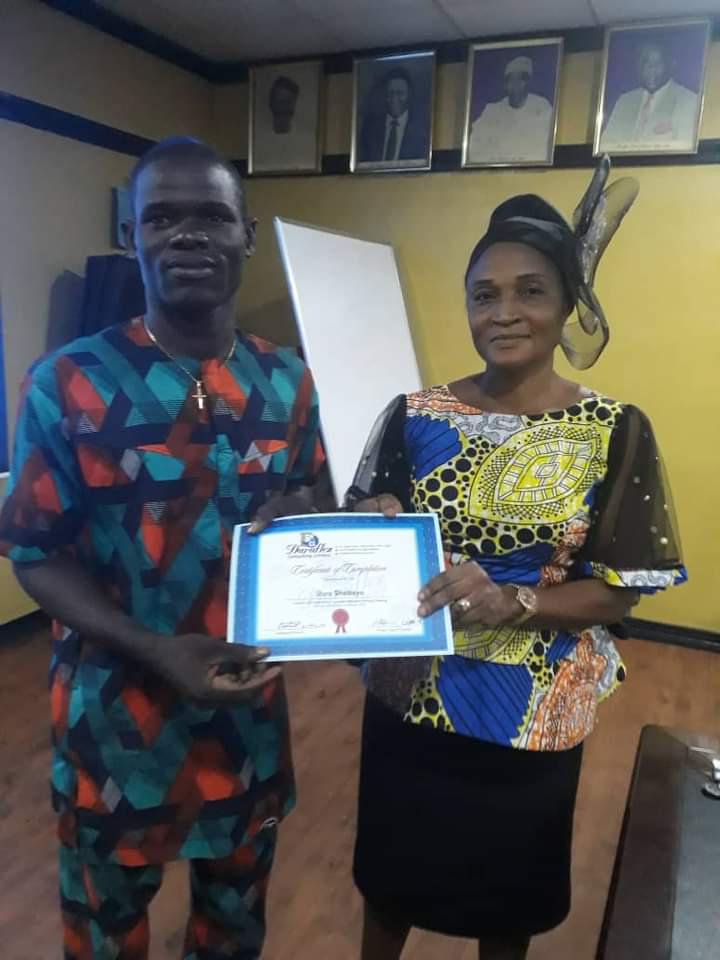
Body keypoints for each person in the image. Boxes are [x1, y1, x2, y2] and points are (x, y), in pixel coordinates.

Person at [345, 162, 686, 960]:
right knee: (390, 881)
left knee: (507, 901)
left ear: (567, 303)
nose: (504, 312)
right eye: (484, 294)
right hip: (411, 694)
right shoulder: (413, 416)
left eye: (530, 291)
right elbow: (368, 527)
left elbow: (619, 593)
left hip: (532, 711)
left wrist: (517, 602)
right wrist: (369, 527)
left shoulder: (613, 430)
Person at [0, 137, 325, 960]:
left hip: (246, 720)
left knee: (233, 935)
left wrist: (306, 513)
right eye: (162, 218)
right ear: (130, 235)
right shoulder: (66, 382)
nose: (188, 236)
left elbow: (309, 498)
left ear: (248, 235)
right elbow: (34, 553)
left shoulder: (287, 381)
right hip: (115, 728)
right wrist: (154, 648)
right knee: (104, 940)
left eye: (212, 216)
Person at [601, 39, 699, 149]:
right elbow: (606, 145)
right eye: (645, 62)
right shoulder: (624, 100)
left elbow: (685, 148)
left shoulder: (689, 100)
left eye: (657, 62)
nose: (650, 68)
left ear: (671, 64)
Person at [468, 55, 554, 164]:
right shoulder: (492, 111)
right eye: (510, 80)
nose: (513, 86)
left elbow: (544, 149)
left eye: (519, 80)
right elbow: (475, 148)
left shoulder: (542, 107)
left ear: (526, 83)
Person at [357, 67, 429, 164]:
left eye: (400, 93)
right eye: (391, 93)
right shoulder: (370, 128)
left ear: (409, 95)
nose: (394, 98)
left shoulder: (422, 129)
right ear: (385, 95)